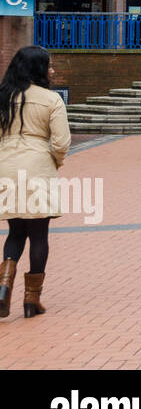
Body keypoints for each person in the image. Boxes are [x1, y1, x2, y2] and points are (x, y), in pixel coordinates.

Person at [0, 46, 71, 319]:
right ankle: (32, 301)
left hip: (6, 167)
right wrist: (55, 160)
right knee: (39, 235)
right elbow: (61, 142)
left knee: (15, 232)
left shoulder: (3, 96)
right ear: (39, 68)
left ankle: (4, 286)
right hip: (38, 167)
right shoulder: (51, 99)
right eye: (48, 65)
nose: (51, 69)